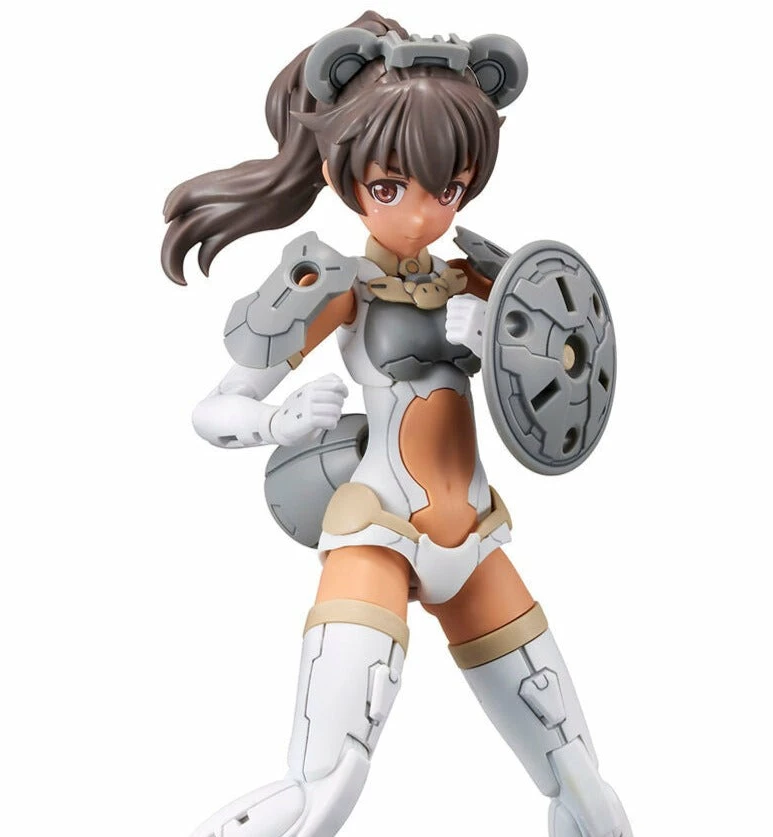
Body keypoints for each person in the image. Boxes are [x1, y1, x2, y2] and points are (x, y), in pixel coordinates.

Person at [161, 12, 633, 837]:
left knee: (578, 775)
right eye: (390, 188)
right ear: (344, 178)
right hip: (378, 531)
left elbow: (566, 360)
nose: (421, 214)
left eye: (447, 189)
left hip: (474, 537)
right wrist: (276, 419)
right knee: (326, 779)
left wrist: (503, 333)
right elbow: (213, 409)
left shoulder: (482, 277)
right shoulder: (336, 284)